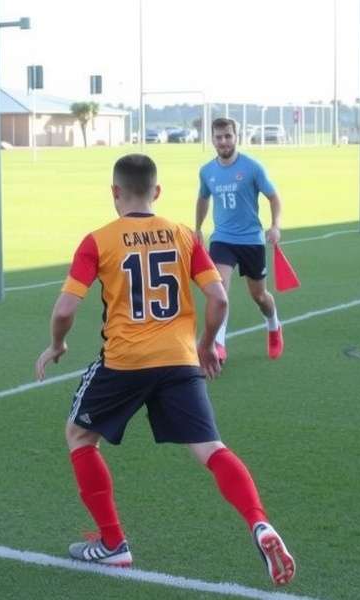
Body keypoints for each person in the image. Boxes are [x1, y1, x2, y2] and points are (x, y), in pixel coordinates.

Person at [35, 154, 295, 586]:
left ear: (115, 192)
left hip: (124, 362)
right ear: (156, 192)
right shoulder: (183, 235)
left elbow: (65, 309)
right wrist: (208, 344)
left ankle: (114, 544)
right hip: (179, 360)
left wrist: (57, 344)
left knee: (80, 436)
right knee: (210, 448)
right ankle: (258, 522)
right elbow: (220, 300)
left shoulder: (98, 240)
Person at [195, 117, 284, 363]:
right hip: (222, 239)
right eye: (218, 137)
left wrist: (275, 226)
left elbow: (274, 198)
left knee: (260, 296)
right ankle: (219, 344)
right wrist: (198, 227)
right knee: (219, 289)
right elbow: (203, 199)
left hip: (251, 240)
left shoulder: (253, 168)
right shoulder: (206, 171)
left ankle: (274, 326)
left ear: (236, 137)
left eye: (228, 136)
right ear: (212, 139)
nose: (223, 141)